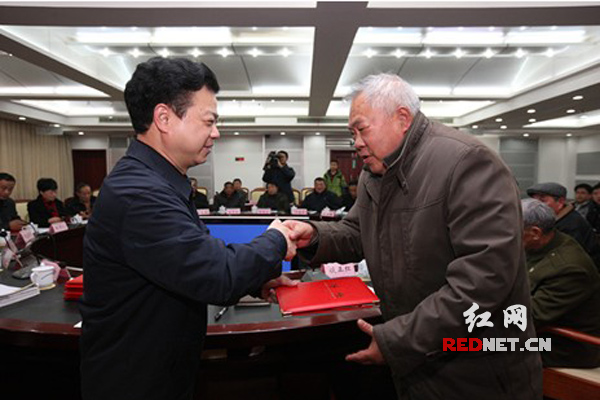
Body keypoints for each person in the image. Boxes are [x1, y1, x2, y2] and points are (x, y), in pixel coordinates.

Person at [284, 73, 542, 399]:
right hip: (416, 360)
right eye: (352, 133)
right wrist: (314, 235)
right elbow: (357, 232)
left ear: (402, 118)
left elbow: (482, 281)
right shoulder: (374, 172)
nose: (356, 143)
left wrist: (398, 341)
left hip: (476, 366)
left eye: (362, 129)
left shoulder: (468, 162)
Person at [80, 57, 296, 400]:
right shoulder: (139, 193)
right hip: (134, 382)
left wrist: (255, 281)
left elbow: (187, 266)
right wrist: (277, 239)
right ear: (164, 118)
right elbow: (217, 273)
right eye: (209, 121)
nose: (216, 133)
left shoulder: (160, 182)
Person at [522, 198, 600, 368]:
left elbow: (528, 318)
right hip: (540, 333)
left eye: (511, 230)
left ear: (535, 232)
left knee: (472, 348)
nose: (505, 235)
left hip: (562, 345)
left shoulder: (569, 268)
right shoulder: (540, 244)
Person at [527, 182, 600, 269]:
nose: (536, 206)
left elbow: (569, 258)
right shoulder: (548, 220)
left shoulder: (571, 224)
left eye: (542, 201)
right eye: (534, 201)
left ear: (560, 202)